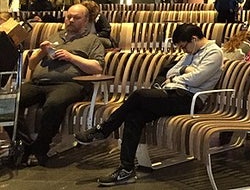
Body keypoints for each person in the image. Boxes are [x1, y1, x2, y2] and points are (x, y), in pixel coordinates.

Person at [76, 23, 223, 186]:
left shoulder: (214, 53)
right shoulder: (191, 53)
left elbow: (196, 79)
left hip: (190, 100)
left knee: (139, 95)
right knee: (134, 116)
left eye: (184, 46)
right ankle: (126, 170)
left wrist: (179, 75)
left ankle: (103, 129)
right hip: (173, 94)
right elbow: (170, 72)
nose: (184, 51)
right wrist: (183, 72)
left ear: (194, 39)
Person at [11, 4, 104, 166]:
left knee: (54, 104)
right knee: (8, 101)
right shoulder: (55, 36)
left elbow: (97, 67)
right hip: (38, 83)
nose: (71, 20)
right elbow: (32, 65)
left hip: (69, 84)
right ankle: (25, 144)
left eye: (76, 18)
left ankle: (40, 147)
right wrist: (41, 51)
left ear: (86, 20)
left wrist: (71, 57)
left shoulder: (92, 40)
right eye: (69, 17)